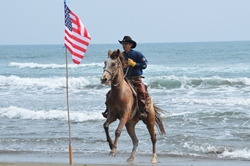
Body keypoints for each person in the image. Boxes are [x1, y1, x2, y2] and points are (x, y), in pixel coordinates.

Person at [102, 36, 150, 120]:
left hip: (136, 78)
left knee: (142, 90)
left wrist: (135, 64)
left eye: (126, 44)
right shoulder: (121, 55)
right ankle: (108, 110)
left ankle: (143, 110)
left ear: (130, 44)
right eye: (123, 44)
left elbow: (144, 65)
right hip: (124, 79)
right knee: (110, 94)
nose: (124, 45)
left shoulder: (137, 54)